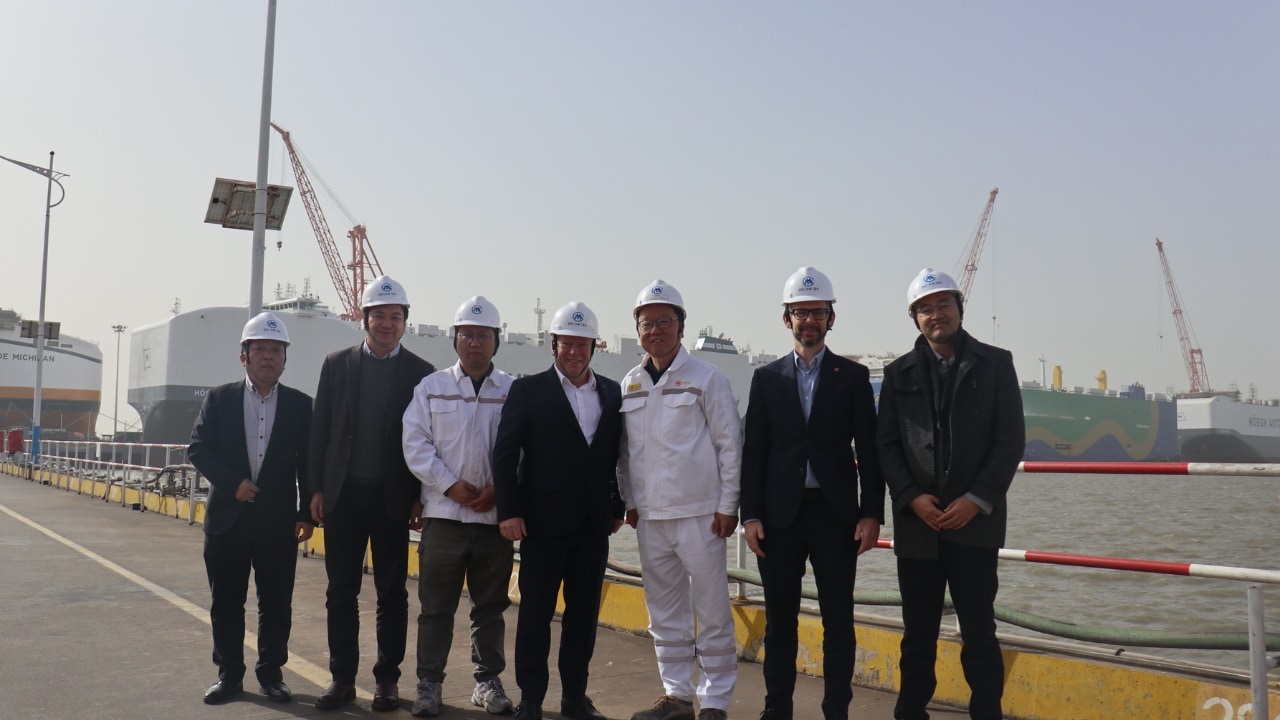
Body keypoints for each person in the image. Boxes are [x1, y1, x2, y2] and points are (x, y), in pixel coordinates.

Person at [877, 268, 1024, 720]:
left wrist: (976, 499)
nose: (935, 314)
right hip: (918, 526)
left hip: (973, 524)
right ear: (914, 318)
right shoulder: (897, 372)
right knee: (917, 632)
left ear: (960, 308)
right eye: (925, 308)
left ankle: (986, 713)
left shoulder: (996, 363)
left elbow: (1009, 439)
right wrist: (911, 497)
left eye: (944, 305)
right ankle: (910, 711)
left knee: (979, 630)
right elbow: (886, 444)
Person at [740, 267, 884, 720]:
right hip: (779, 519)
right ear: (787, 319)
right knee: (780, 621)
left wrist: (870, 514)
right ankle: (776, 709)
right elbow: (754, 453)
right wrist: (751, 515)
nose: (809, 321)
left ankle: (835, 711)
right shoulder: (767, 378)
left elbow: (871, 450)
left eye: (817, 313)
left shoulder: (854, 376)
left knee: (837, 622)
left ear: (830, 318)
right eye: (800, 313)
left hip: (835, 516)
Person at [309, 275, 435, 711]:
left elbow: (428, 441)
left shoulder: (422, 374)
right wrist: (316, 489)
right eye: (378, 315)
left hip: (392, 500)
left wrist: (422, 496)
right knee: (340, 591)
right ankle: (341, 678)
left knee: (392, 592)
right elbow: (319, 432)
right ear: (363, 318)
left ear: (405, 322)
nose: (386, 324)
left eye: (395, 317)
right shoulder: (336, 364)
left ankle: (386, 680)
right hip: (343, 498)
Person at [492, 301, 623, 720]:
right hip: (541, 526)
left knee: (583, 618)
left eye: (582, 344)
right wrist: (508, 511)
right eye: (566, 343)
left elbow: (619, 456)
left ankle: (574, 697)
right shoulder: (528, 390)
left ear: (593, 348)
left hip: (591, 526)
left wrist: (618, 504)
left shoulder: (611, 392)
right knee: (535, 615)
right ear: (554, 345)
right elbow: (505, 453)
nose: (574, 352)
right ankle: (531, 699)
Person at [619, 280, 743, 720]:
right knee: (665, 613)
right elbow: (625, 454)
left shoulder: (707, 379)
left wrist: (729, 506)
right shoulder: (629, 384)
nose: (655, 330)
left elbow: (729, 445)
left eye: (664, 322)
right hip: (650, 518)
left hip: (700, 516)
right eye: (647, 322)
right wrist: (629, 501)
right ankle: (676, 695)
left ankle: (714, 700)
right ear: (637, 330)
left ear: (681, 327)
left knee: (711, 611)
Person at [188, 312, 314, 705]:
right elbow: (198, 448)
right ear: (243, 357)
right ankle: (229, 675)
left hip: (277, 522)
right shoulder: (219, 399)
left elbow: (306, 462)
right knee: (227, 601)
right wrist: (233, 484)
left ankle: (272, 674)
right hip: (227, 519)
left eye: (276, 350)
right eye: (259, 349)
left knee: (276, 603)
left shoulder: (299, 405)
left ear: (285, 358)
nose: (268, 357)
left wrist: (306, 513)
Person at [402, 296, 516, 717]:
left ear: (495, 342)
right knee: (435, 609)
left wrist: (499, 491)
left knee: (489, 609)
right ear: (455, 340)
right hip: (444, 518)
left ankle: (487, 683)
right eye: (467, 335)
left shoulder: (511, 391)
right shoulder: (431, 388)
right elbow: (414, 444)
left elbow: (524, 450)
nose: (474, 343)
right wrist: (449, 486)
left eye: (483, 336)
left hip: (492, 521)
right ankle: (428, 684)